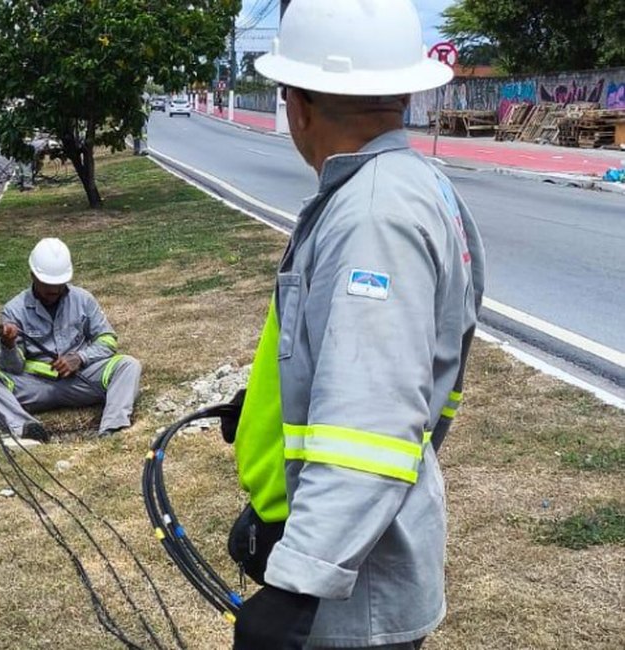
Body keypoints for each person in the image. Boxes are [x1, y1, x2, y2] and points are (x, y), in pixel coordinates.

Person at [222, 1, 487, 648]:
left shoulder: (371, 216)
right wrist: (266, 407)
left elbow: (371, 425)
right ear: (400, 92)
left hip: (351, 603)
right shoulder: (415, 185)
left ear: (298, 103)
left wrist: (295, 590)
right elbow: (398, 372)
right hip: (360, 569)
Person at [0, 238, 141, 442]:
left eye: (59, 285)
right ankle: (25, 427)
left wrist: (80, 358)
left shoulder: (83, 300)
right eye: (47, 285)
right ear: (32, 275)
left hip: (81, 379)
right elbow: (13, 368)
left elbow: (108, 340)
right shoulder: (14, 310)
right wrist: (8, 345)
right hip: (37, 386)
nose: (54, 291)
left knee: (128, 365)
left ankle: (112, 429)